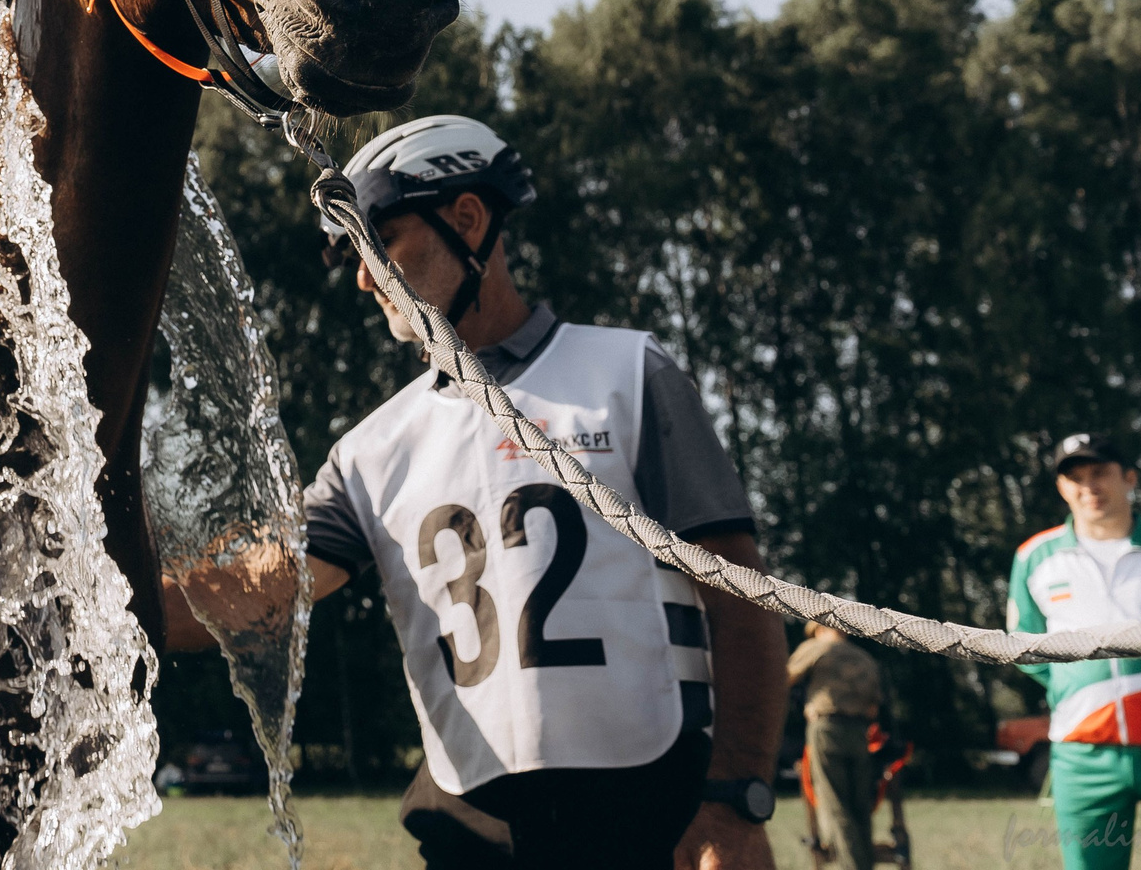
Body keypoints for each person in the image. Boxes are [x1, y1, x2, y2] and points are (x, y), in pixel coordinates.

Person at [288, 115, 782, 869]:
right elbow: (268, 585)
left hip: (650, 823)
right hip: (472, 834)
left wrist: (736, 802)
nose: (361, 274)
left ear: (468, 219)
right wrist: (111, 583)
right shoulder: (367, 449)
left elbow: (742, 599)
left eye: (379, 239)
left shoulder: (630, 373)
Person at [1011, 432, 1141, 870]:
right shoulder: (1035, 557)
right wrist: (1079, 691)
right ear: (1061, 488)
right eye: (1075, 478)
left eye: (1100, 473)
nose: (1088, 487)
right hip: (1081, 753)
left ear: (1129, 478)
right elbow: (1025, 647)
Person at [786, 623, 882, 870]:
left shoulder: (816, 648)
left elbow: (784, 678)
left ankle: (853, 867)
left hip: (826, 729)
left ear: (819, 629)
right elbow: (874, 707)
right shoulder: (865, 658)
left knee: (835, 805)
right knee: (860, 806)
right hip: (860, 733)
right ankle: (865, 864)